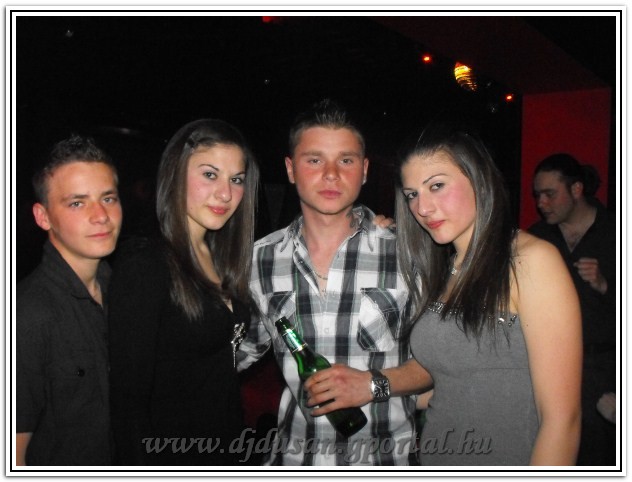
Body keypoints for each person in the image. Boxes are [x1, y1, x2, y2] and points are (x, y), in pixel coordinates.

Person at [306, 122, 583, 465]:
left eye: (436, 186)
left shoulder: (530, 260)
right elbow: (452, 382)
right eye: (412, 194)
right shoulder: (446, 269)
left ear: (478, 180)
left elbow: (562, 421)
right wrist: (370, 386)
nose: (422, 207)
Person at [236, 99, 417, 466]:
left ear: (364, 170)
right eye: (315, 160)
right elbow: (235, 354)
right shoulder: (259, 260)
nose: (332, 174)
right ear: (290, 169)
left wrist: (371, 384)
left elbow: (441, 363)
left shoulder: (409, 254)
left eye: (346, 160)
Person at [108, 119, 259, 465]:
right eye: (210, 174)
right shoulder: (146, 263)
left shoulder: (222, 257)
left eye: (236, 179)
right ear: (176, 173)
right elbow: (128, 403)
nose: (225, 193)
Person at [16, 135, 123, 465]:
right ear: (43, 216)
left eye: (108, 198)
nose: (101, 215)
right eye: (77, 203)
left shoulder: (125, 291)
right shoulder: (26, 315)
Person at [529, 153, 616, 466]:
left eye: (549, 194)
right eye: (537, 195)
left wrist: (606, 286)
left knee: (601, 457)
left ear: (576, 189)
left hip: (606, 368)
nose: (541, 203)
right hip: (551, 366)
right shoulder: (537, 239)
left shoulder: (616, 232)